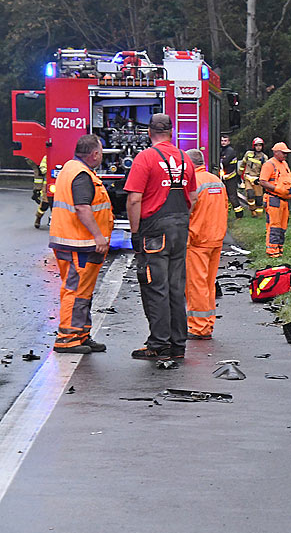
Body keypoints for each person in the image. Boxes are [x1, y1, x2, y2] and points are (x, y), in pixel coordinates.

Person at [125, 114, 197, 360]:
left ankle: (159, 343)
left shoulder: (145, 158)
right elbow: (193, 197)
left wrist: (135, 233)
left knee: (155, 286)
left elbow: (134, 199)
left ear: (149, 132)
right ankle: (178, 344)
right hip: (180, 226)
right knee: (176, 287)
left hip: (155, 229)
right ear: (171, 131)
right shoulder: (185, 158)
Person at [49, 135, 113, 354]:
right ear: (94, 154)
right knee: (75, 291)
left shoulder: (71, 168)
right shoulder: (82, 175)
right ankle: (67, 338)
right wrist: (99, 237)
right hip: (79, 243)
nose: (102, 156)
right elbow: (82, 208)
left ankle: (81, 334)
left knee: (82, 291)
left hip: (74, 241)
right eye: (101, 153)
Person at [185, 149, 228, 340]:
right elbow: (225, 207)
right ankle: (208, 322)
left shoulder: (193, 182)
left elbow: (189, 209)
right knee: (209, 284)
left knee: (197, 285)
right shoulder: (216, 181)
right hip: (215, 239)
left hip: (197, 240)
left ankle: (198, 327)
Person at [259, 142, 291, 258]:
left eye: (286, 153)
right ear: (276, 152)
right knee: (274, 225)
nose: (285, 155)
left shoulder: (284, 164)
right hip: (273, 198)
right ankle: (272, 251)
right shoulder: (269, 164)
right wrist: (277, 189)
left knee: (283, 226)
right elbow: (262, 181)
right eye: (283, 153)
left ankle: (279, 249)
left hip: (284, 200)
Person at [238, 137, 268, 217]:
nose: (258, 147)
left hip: (257, 179)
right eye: (256, 145)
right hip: (248, 177)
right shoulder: (248, 154)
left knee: (259, 199)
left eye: (260, 145)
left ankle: (259, 214)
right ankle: (252, 211)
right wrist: (239, 175)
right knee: (250, 195)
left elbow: (265, 170)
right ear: (253, 146)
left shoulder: (264, 157)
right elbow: (242, 165)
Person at [220, 134, 243, 219]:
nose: (223, 142)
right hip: (225, 176)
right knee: (225, 195)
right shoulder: (222, 150)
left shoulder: (230, 151)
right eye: (222, 141)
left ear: (229, 142)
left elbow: (225, 162)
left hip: (231, 177)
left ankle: (239, 214)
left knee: (232, 196)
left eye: (225, 141)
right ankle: (226, 212)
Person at [28, 155, 50, 228]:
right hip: (48, 184)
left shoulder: (67, 155)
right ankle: (38, 217)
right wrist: (46, 170)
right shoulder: (48, 156)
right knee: (44, 204)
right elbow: (42, 166)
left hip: (63, 183)